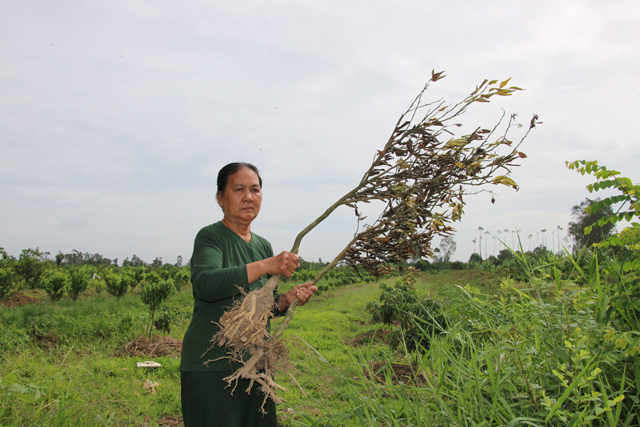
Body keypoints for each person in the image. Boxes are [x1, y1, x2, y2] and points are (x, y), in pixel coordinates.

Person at [180, 162, 317, 427]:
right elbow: (206, 284)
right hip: (211, 366)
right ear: (220, 198)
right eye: (239, 189)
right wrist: (267, 265)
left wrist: (286, 299)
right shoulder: (211, 237)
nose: (248, 197)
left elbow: (263, 305)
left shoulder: (262, 245)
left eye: (255, 189)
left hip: (256, 364)